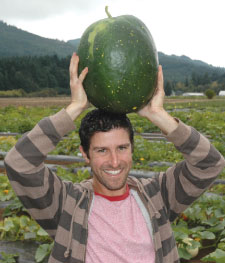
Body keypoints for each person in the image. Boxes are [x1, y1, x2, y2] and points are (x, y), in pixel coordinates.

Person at [4, 53, 225, 263]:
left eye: (121, 148)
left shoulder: (158, 196)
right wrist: (74, 108)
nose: (115, 161)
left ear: (132, 148)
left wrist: (159, 115)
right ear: (85, 154)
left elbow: (210, 164)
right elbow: (19, 163)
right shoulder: (67, 204)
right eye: (102, 150)